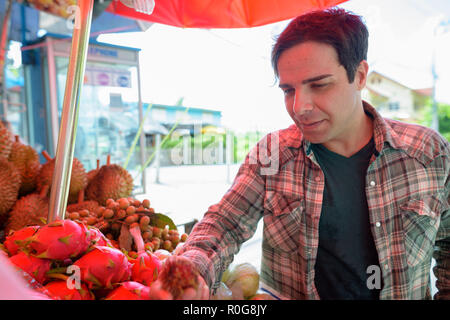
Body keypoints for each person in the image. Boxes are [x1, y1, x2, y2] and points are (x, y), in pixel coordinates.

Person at [150, 8, 449, 300]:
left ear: (359, 76)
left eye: (319, 85)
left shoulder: (427, 153)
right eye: (288, 90)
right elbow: (223, 225)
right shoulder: (272, 154)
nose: (299, 107)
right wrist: (189, 275)